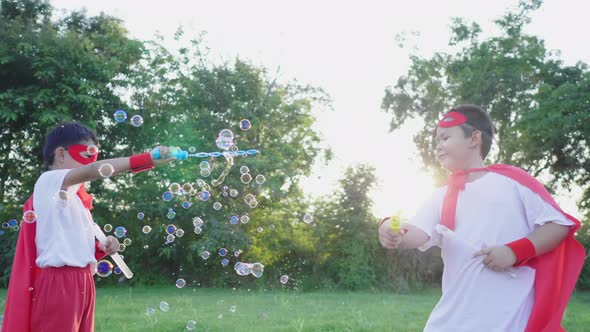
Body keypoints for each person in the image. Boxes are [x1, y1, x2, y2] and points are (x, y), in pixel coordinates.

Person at [378, 105, 585, 332]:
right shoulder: (439, 195)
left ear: (474, 138)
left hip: (506, 316)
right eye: (436, 140)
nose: (437, 145)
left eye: (445, 137)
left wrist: (514, 251)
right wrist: (389, 227)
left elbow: (557, 225)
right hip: (453, 316)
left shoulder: (513, 182)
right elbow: (416, 233)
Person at [1, 121, 176, 332]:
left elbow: (70, 246)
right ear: (61, 154)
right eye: (87, 155)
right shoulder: (48, 181)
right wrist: (148, 158)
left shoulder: (76, 199)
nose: (92, 163)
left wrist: (101, 248)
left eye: (94, 156)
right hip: (59, 283)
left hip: (82, 280)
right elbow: (96, 170)